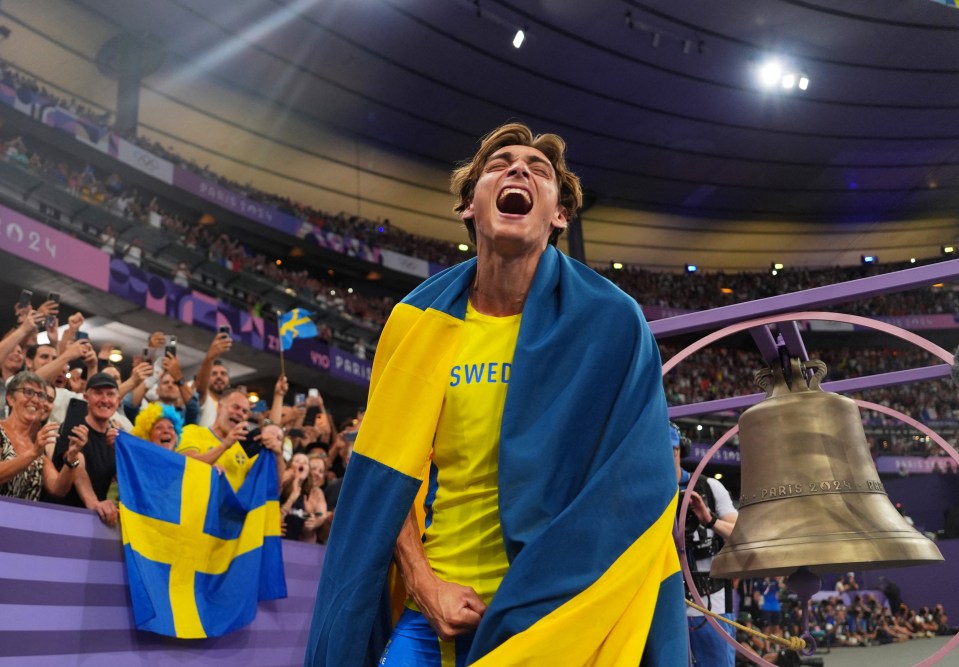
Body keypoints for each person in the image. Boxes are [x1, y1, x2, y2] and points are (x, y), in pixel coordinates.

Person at [306, 123, 686, 666]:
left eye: (539, 170)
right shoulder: (416, 324)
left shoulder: (611, 322)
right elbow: (384, 478)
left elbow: (638, 486)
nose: (518, 171)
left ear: (559, 215)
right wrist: (421, 580)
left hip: (556, 612)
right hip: (436, 611)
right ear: (468, 206)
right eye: (499, 164)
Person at [672, 422, 740, 667]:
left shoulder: (709, 487)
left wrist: (709, 519)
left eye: (673, 450)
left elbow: (741, 534)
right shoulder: (644, 492)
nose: (667, 457)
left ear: (682, 450)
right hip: (665, 605)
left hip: (712, 604)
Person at [44, 371, 121, 526]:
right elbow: (78, 466)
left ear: (118, 401)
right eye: (98, 393)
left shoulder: (116, 438)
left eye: (110, 394)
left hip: (94, 522)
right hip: (59, 519)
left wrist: (123, 453)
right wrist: (94, 503)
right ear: (86, 398)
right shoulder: (74, 429)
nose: (105, 400)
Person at [0, 371, 86, 501]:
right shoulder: (33, 448)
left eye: (41, 395)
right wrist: (33, 453)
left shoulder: (37, 447)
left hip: (21, 521)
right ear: (10, 398)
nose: (35, 400)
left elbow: (58, 489)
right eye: (28, 392)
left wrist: (71, 458)